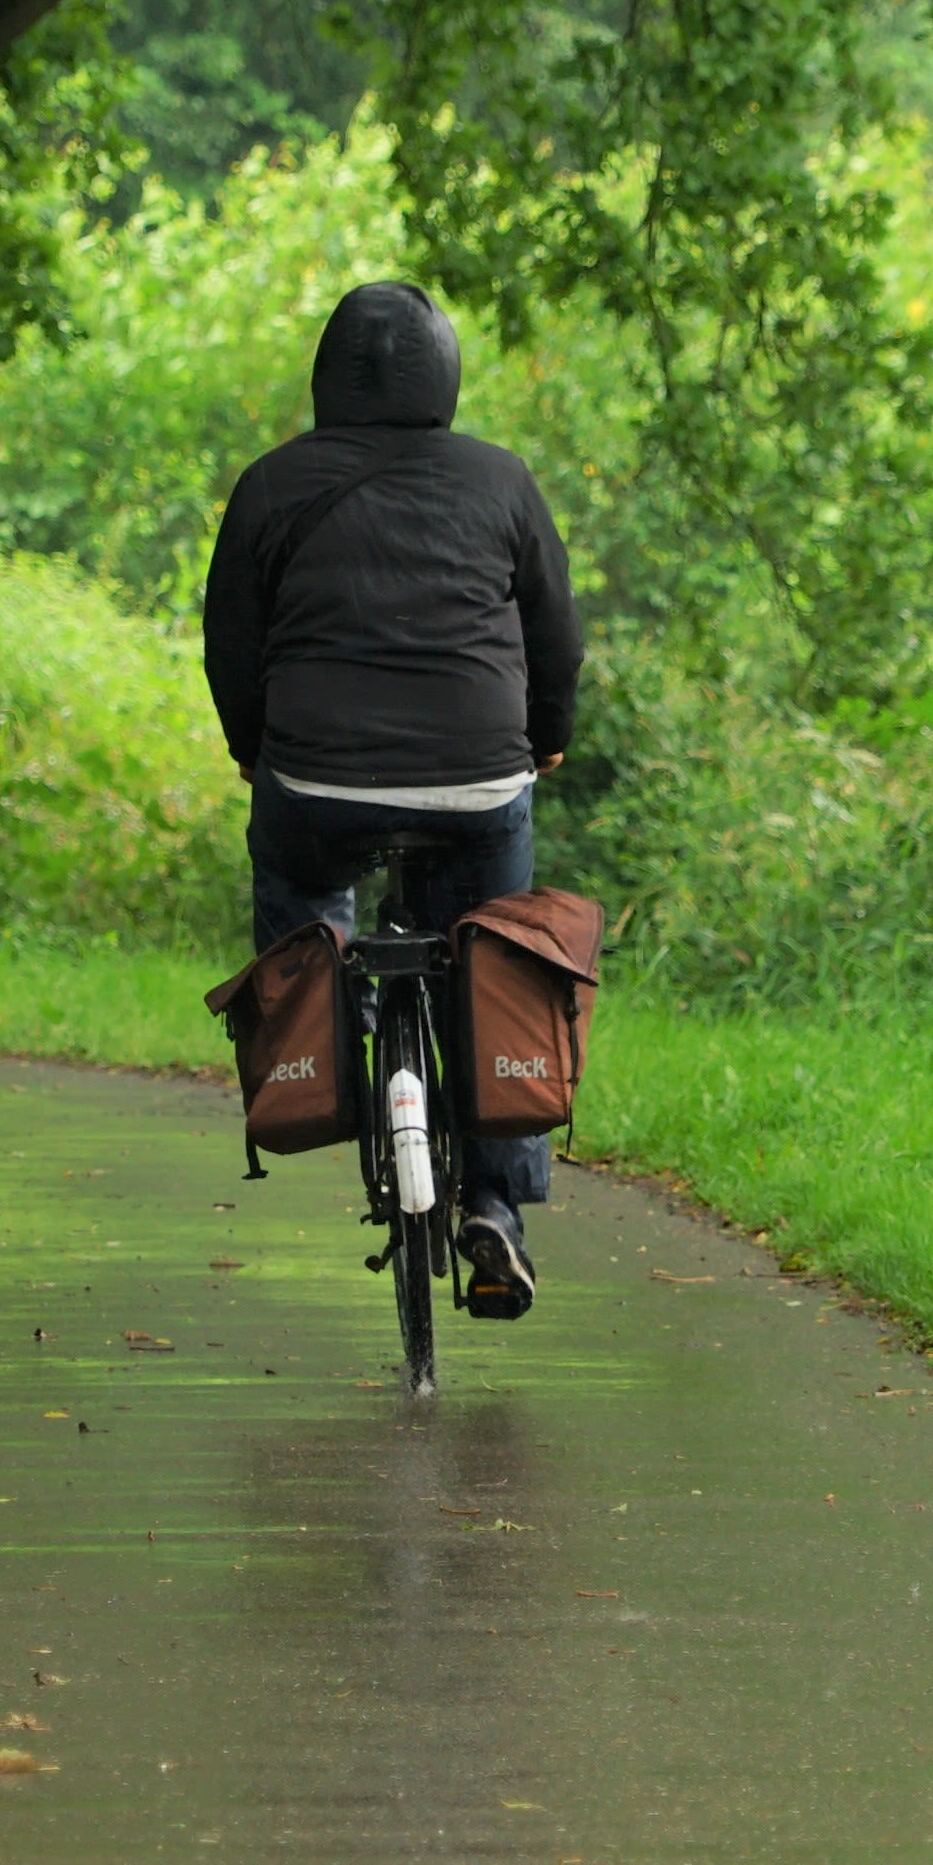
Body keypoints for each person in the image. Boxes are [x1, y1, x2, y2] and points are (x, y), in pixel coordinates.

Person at [202, 282, 581, 1320]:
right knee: (495, 945)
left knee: (302, 886)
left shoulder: (272, 485)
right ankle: (497, 1203)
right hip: (479, 780)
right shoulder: (501, 480)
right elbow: (557, 635)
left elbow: (229, 642)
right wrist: (549, 735)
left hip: (313, 782)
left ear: (327, 377)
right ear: (446, 377)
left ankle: (337, 1051)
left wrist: (252, 750)